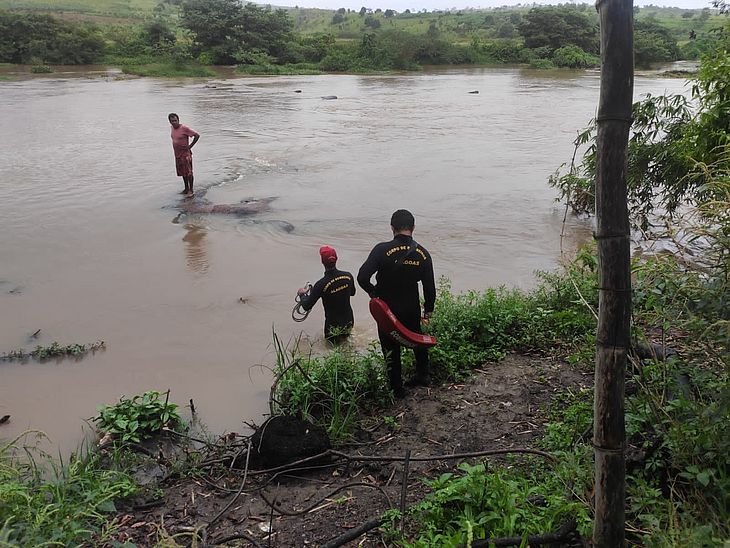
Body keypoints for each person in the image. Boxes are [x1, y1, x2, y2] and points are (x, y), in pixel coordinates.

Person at [358, 209, 436, 399]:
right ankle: (422, 376)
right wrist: (428, 311)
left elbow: (362, 277)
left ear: (392, 228)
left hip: (387, 309)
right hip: (410, 307)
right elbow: (429, 287)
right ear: (413, 228)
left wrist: (373, 293)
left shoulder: (381, 249)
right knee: (417, 338)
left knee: (390, 347)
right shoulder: (423, 254)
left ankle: (397, 388)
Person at [297, 246, 356, 344]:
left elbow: (306, 306)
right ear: (336, 259)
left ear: (322, 262)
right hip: (349, 321)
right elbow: (353, 293)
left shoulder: (320, 284)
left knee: (331, 350)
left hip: (332, 327)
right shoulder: (348, 276)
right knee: (346, 345)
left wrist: (302, 294)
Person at [168, 113, 200, 197]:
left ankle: (191, 189)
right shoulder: (172, 128)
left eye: (175, 120)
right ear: (170, 122)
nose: (174, 122)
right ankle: (186, 188)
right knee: (182, 172)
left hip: (185, 154)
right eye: (172, 121)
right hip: (177, 154)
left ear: (178, 120)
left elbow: (197, 135)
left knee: (189, 173)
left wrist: (190, 146)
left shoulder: (184, 128)